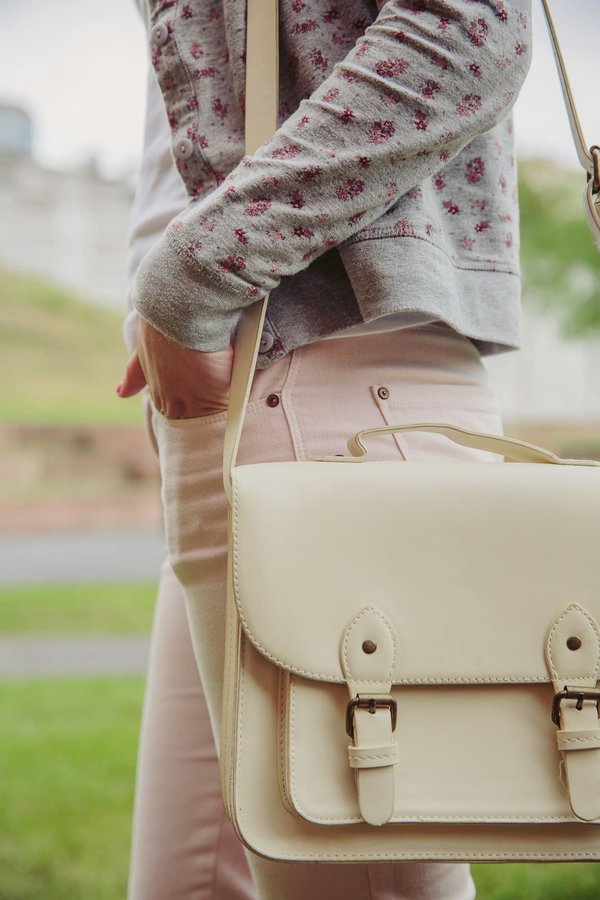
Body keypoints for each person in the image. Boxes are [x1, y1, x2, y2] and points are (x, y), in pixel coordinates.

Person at [118, 2, 532, 898]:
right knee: (187, 881)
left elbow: (471, 28)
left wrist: (194, 275)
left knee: (356, 867)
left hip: (325, 386)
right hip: (263, 387)